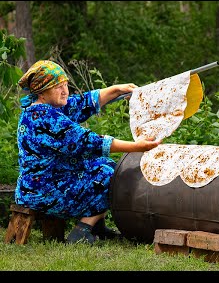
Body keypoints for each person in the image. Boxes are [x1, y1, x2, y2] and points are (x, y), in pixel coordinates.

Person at [15, 60, 162, 245]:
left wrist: (117, 89)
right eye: (57, 87)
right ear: (42, 92)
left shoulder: (40, 109)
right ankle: (82, 231)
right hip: (44, 193)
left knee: (103, 164)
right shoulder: (45, 118)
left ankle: (97, 226)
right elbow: (88, 142)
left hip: (37, 185)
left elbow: (83, 103)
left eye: (65, 84)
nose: (65, 91)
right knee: (111, 176)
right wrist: (137, 146)